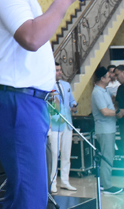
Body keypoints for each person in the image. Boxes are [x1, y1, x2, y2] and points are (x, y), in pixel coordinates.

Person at [0, 0, 83, 208]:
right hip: (17, 102)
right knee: (31, 197)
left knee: (27, 194)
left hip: (28, 102)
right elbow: (31, 38)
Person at [91, 66, 122, 195]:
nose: (110, 78)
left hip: (109, 128)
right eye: (108, 76)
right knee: (107, 157)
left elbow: (110, 106)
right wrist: (119, 113)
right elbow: (104, 111)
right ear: (102, 78)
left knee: (109, 155)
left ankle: (106, 183)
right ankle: (106, 185)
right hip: (104, 130)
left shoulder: (105, 91)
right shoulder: (97, 92)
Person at [48, 62, 77, 193]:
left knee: (66, 154)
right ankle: (52, 181)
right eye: (57, 70)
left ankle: (65, 181)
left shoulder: (66, 85)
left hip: (67, 123)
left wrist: (74, 105)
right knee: (55, 154)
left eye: (60, 70)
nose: (60, 72)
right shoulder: (48, 86)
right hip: (54, 124)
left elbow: (71, 100)